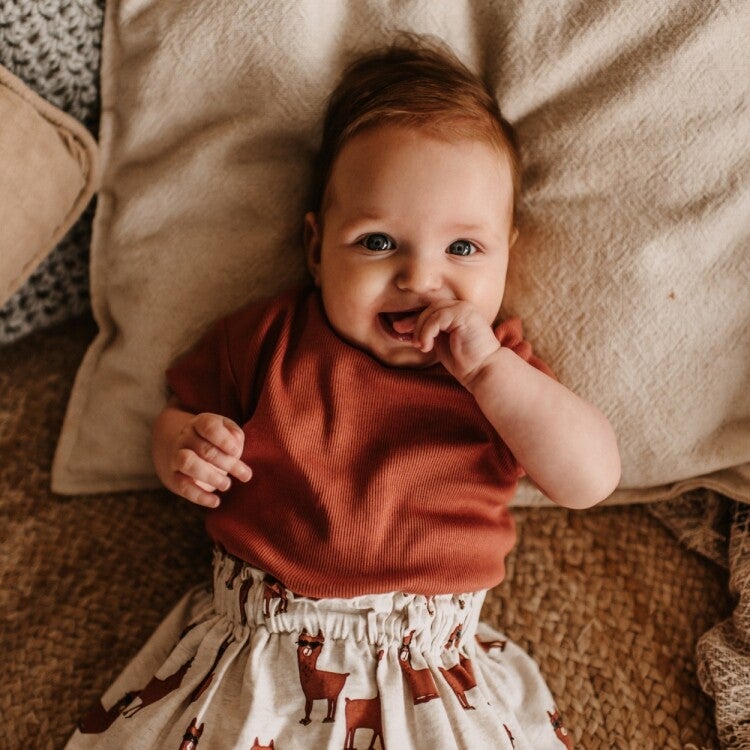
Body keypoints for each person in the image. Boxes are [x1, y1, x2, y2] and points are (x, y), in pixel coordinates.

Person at [65, 37, 620, 750]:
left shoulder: (499, 370)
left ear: (506, 254)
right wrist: (184, 449)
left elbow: (588, 478)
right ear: (315, 248)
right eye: (378, 242)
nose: (419, 278)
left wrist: (488, 372)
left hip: (431, 665)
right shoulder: (266, 341)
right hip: (260, 649)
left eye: (462, 249)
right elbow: (178, 416)